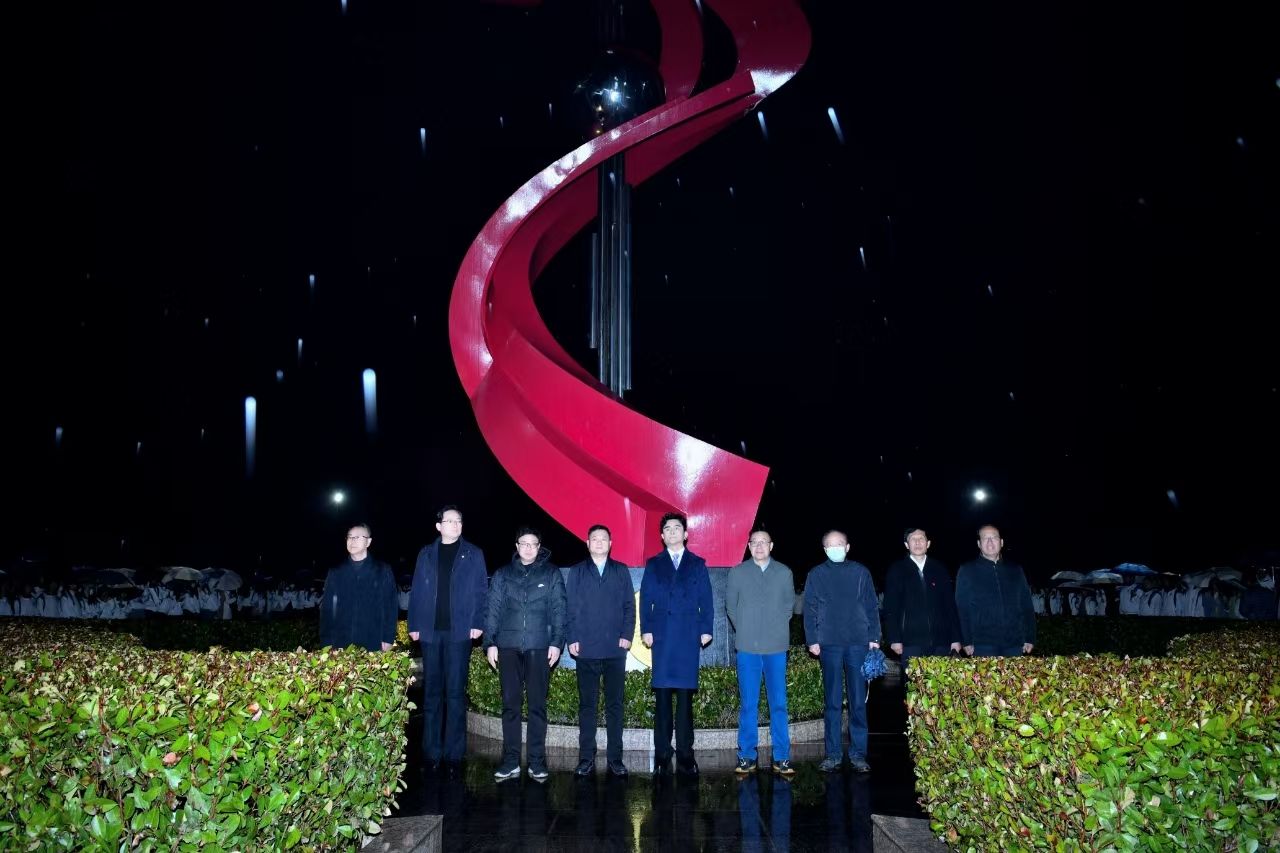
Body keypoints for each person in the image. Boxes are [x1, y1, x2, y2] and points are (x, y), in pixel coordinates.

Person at [408, 505, 489, 774]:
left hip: (460, 631)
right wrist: (414, 624)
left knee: (455, 692)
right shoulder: (426, 554)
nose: (455, 524)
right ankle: (431, 752)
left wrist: (478, 622)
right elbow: (417, 590)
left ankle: (454, 753)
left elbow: (481, 590)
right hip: (430, 632)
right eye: (450, 520)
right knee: (432, 692)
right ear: (438, 526)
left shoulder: (473, 553)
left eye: (459, 521)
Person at [484, 526, 567, 782]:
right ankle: (511, 761)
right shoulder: (503, 574)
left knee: (537, 707)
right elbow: (492, 609)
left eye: (533, 543)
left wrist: (556, 643)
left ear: (539, 547)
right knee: (510, 706)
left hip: (539, 646)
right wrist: (490, 642)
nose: (528, 548)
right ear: (517, 546)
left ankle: (536, 762)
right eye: (524, 543)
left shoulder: (551, 573)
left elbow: (559, 610)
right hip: (508, 646)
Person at [640, 512, 713, 776]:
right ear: (662, 536)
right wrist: (646, 629)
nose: (672, 532)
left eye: (677, 528)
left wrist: (706, 629)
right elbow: (645, 598)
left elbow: (706, 598)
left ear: (686, 534)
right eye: (668, 529)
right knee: (662, 698)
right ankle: (662, 753)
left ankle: (685, 753)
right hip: (662, 635)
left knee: (684, 698)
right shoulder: (654, 564)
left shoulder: (697, 564)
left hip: (687, 635)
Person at [803, 529, 880, 773]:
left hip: (858, 643)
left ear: (847, 547)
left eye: (839, 544)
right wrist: (812, 640)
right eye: (830, 545)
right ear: (825, 549)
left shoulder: (861, 572)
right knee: (833, 702)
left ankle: (858, 754)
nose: (835, 548)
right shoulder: (816, 574)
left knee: (858, 702)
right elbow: (809, 609)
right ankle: (833, 754)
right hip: (829, 644)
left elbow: (871, 605)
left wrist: (874, 637)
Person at [725, 527, 797, 777]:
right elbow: (731, 607)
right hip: (747, 648)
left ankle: (782, 757)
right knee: (748, 704)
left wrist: (773, 629)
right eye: (754, 542)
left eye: (763, 542)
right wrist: (747, 629)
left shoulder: (784, 572)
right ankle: (746, 755)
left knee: (779, 704)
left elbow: (789, 607)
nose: (759, 546)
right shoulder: (738, 572)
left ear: (771, 546)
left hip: (776, 648)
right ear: (748, 546)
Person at [566, 524, 636, 777]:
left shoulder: (621, 571)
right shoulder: (577, 571)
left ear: (610, 543)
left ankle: (615, 758)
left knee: (615, 705)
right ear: (587, 543)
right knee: (588, 706)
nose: (598, 542)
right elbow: (570, 607)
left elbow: (629, 606)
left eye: (603, 538)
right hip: (586, 648)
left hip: (615, 649)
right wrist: (572, 637)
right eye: (594, 538)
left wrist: (626, 635)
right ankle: (586, 757)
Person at [881, 528, 961, 672]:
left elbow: (950, 606)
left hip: (941, 642)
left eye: (921, 538)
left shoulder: (939, 569)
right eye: (913, 539)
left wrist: (955, 638)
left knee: (939, 684)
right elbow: (891, 607)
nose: (918, 542)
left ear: (928, 543)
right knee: (913, 684)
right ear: (907, 544)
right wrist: (894, 638)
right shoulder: (897, 570)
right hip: (910, 643)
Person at [955, 525, 1035, 657]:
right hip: (982, 644)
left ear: (1001, 542)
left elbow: (1026, 605)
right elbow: (962, 609)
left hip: (1014, 643)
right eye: (985, 538)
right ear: (979, 544)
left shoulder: (1015, 570)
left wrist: (1030, 637)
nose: (990, 542)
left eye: (994, 537)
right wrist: (966, 640)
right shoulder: (967, 570)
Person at [319, 523, 398, 652]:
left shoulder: (382, 571)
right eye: (349, 537)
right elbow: (327, 609)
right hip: (341, 642)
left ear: (368, 542)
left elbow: (391, 607)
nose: (352, 541)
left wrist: (388, 638)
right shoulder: (336, 572)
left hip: (373, 640)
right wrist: (326, 642)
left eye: (357, 537)